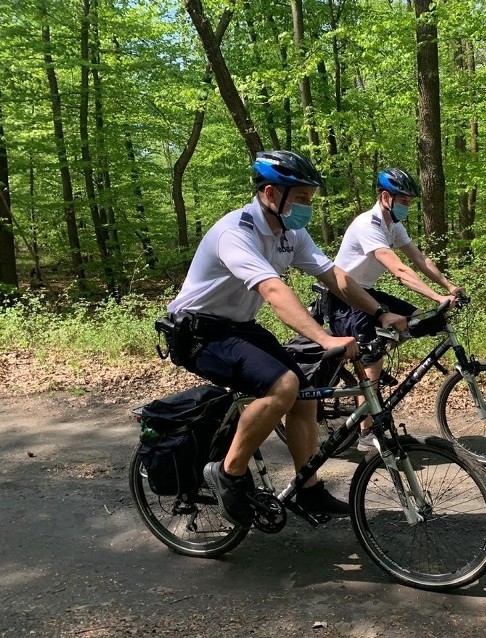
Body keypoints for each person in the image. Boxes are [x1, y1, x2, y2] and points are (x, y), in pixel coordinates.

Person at [166, 150, 406, 527]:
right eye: (301, 198)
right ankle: (228, 473)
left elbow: (336, 277)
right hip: (197, 331)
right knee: (284, 385)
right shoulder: (237, 231)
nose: (307, 206)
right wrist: (326, 339)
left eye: (309, 198)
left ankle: (307, 489)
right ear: (269, 194)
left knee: (305, 391)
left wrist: (380, 312)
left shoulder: (291, 232)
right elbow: (274, 291)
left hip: (237, 326)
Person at [329, 168, 464, 451]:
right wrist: (436, 296)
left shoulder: (393, 226)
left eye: (410, 202)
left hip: (367, 291)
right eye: (404, 200)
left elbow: (419, 259)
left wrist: (449, 286)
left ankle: (375, 365)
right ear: (385, 197)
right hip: (346, 298)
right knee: (372, 360)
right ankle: (366, 434)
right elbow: (400, 270)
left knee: (418, 320)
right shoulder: (368, 224)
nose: (407, 206)